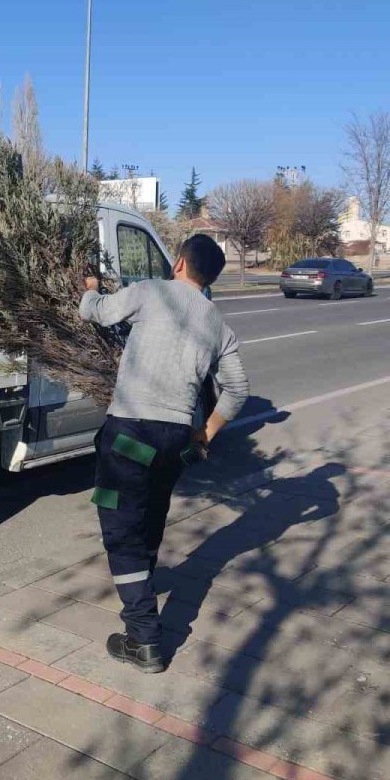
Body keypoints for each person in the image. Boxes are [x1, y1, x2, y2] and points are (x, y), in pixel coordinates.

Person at [79, 233, 248, 674]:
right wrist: (203, 434)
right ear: (209, 277)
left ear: (178, 263)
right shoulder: (218, 324)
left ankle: (143, 637)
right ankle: (142, 592)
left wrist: (91, 289)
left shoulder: (151, 292)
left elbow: (95, 313)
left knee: (118, 525)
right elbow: (238, 391)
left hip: (128, 434)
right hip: (173, 440)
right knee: (150, 515)